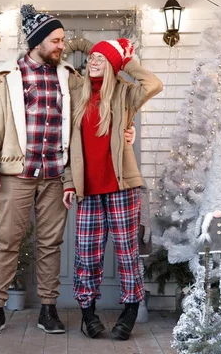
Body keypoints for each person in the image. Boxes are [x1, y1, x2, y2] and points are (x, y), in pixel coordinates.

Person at [0, 5, 135, 335]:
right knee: (7, 241)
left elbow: (96, 111)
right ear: (37, 42)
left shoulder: (70, 79)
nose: (63, 46)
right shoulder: (5, 79)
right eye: (57, 40)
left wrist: (125, 129)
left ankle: (48, 309)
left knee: (51, 244)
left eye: (63, 40)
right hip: (15, 174)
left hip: (54, 175)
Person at [62, 38, 163, 340]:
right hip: (88, 189)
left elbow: (154, 83)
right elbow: (69, 145)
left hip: (122, 188)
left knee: (126, 253)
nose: (93, 61)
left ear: (112, 65)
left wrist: (126, 62)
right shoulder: (75, 91)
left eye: (101, 58)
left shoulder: (125, 93)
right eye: (92, 56)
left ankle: (130, 310)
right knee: (87, 255)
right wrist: (69, 183)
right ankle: (88, 314)